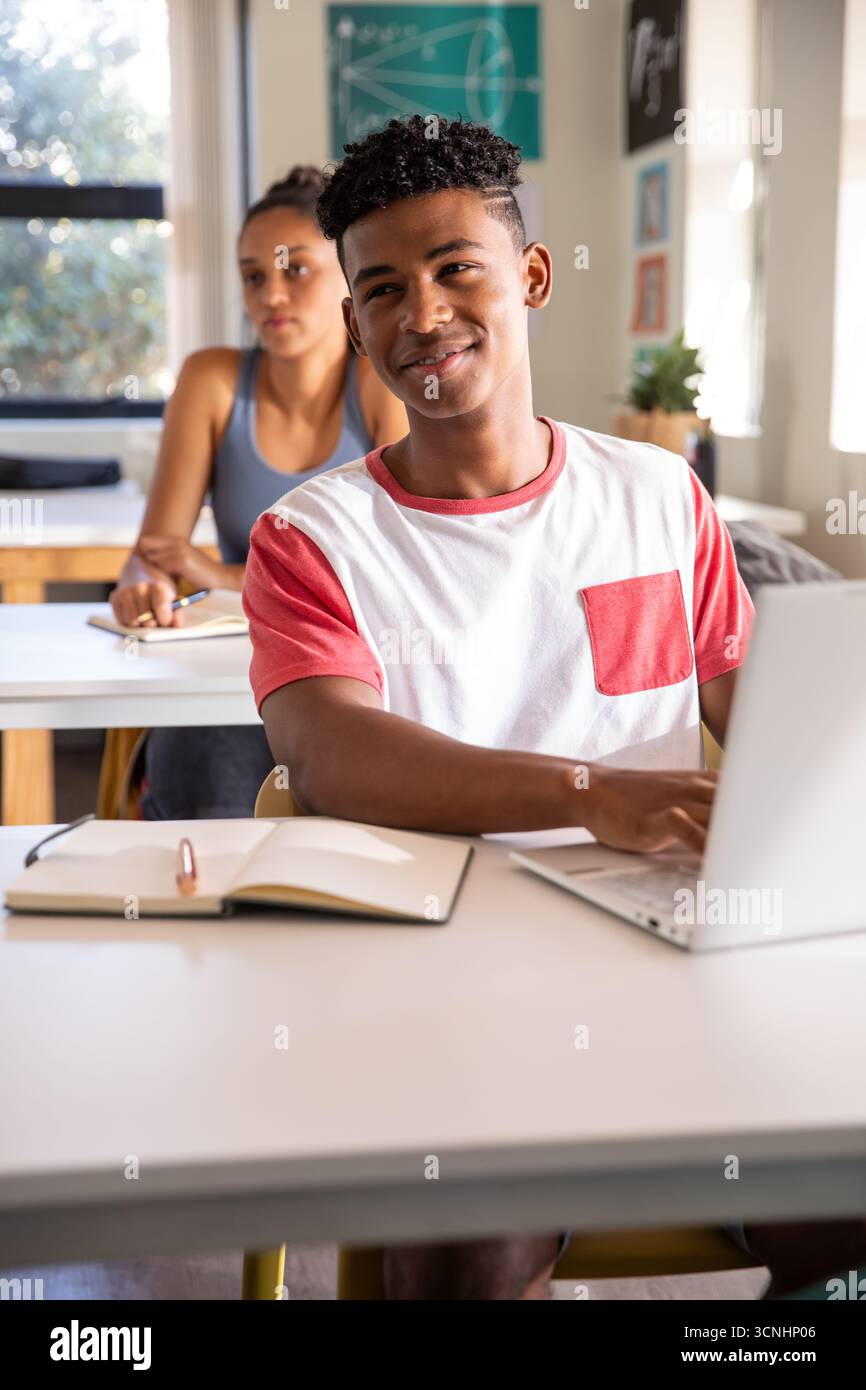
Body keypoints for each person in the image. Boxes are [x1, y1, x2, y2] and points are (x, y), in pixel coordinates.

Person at [242, 117, 866, 1299]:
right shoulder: (310, 538)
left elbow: (775, 722)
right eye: (379, 288)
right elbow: (329, 751)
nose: (420, 314)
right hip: (440, 988)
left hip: (682, 962)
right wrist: (596, 794)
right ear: (354, 321)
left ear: (529, 275)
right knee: (463, 1247)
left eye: (453, 268)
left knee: (844, 1177)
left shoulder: (657, 496)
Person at [110, 166, 406, 818]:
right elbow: (154, 553)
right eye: (253, 276)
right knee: (209, 811)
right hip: (229, 680)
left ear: (348, 278)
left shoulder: (380, 384)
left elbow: (395, 576)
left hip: (353, 679)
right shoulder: (212, 380)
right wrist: (142, 586)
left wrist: (217, 572)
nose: (271, 293)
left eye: (295, 270)